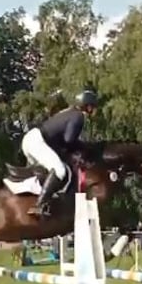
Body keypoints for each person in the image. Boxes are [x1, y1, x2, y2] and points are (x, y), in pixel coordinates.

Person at [20, 89, 98, 217]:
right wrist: (83, 147)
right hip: (38, 142)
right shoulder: (78, 116)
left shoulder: (69, 112)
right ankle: (39, 205)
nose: (94, 110)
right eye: (93, 107)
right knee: (60, 170)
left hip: (31, 139)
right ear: (88, 106)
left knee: (45, 173)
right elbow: (69, 140)